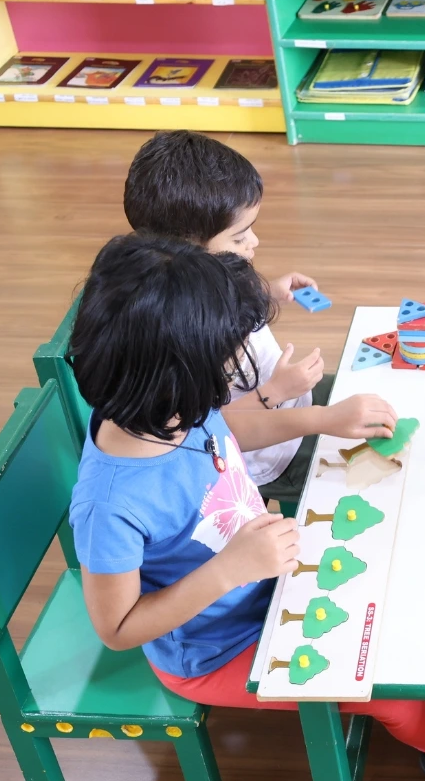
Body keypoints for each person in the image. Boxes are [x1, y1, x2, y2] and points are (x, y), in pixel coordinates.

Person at [66, 234, 425, 781]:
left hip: (271, 572)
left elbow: (229, 431)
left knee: (418, 569)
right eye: (225, 360)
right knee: (388, 693)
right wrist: (229, 570)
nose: (237, 370)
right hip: (217, 647)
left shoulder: (159, 405)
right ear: (176, 373)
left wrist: (321, 417)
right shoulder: (110, 503)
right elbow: (118, 628)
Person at [123, 130, 332, 506]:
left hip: (288, 401)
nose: (254, 243)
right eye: (239, 238)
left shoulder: (199, 283)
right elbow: (211, 431)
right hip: (264, 453)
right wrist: (277, 392)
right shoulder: (180, 336)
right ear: (185, 252)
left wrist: (268, 291)